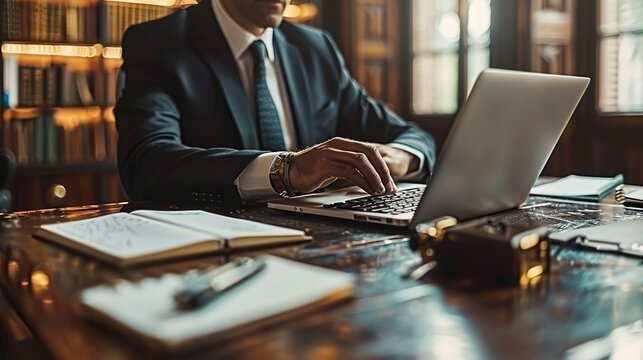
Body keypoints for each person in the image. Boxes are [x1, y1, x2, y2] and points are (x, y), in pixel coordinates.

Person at [115, 0, 436, 204]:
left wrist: (399, 158)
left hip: (321, 244)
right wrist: (287, 170)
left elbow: (414, 137)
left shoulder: (315, 48)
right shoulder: (158, 43)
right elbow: (146, 164)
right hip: (216, 249)